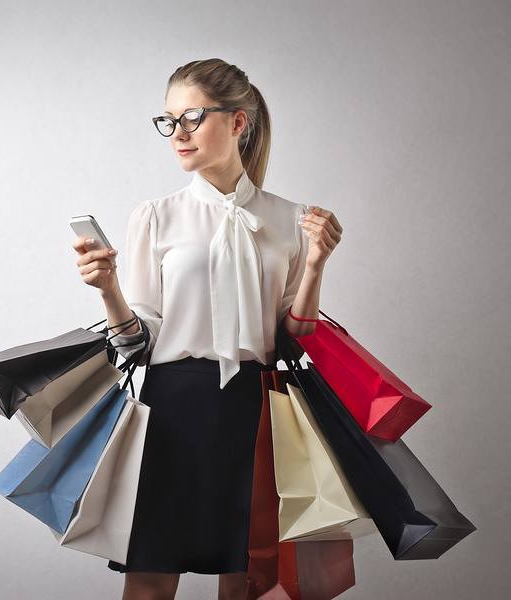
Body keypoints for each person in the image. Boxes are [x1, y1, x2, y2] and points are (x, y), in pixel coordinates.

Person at [71, 59, 343, 600]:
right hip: (171, 408)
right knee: (149, 578)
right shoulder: (156, 216)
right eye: (169, 121)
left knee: (248, 580)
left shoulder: (292, 218)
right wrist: (108, 289)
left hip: (255, 407)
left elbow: (295, 339)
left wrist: (314, 266)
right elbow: (139, 343)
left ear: (239, 123)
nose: (178, 134)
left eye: (192, 117)